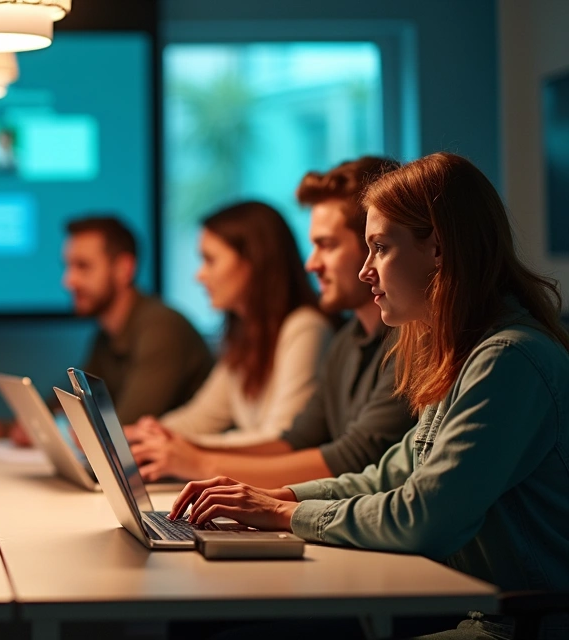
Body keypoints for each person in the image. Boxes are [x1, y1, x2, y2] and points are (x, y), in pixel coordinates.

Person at [173, 152, 569, 639]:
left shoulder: (508, 359)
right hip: (480, 613)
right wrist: (281, 496)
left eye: (380, 247)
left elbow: (425, 517)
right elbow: (389, 475)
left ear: (439, 248)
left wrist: (284, 514)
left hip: (513, 626)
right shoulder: (461, 352)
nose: (366, 271)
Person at [128, 158, 415, 486]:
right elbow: (294, 441)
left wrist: (200, 462)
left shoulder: (408, 339)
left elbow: (352, 458)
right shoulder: (348, 339)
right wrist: (171, 446)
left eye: (327, 245)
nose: (311, 264)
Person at [0, 215, 213, 440]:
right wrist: (5, 428)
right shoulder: (108, 334)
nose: (68, 281)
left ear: (124, 269)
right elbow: (70, 401)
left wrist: (55, 432)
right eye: (68, 266)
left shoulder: (161, 329)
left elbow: (124, 431)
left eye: (83, 266)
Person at [132, 202, 334, 449]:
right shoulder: (244, 335)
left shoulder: (305, 328)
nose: (199, 275)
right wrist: (144, 434)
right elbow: (201, 417)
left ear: (253, 261)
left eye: (210, 260)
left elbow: (281, 436)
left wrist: (178, 446)